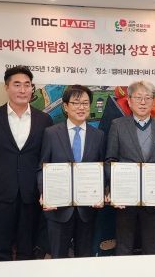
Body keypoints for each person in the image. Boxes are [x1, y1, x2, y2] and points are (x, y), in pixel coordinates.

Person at [0, 66, 53, 261]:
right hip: (1, 193)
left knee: (28, 249)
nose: (23, 90)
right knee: (1, 249)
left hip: (32, 194)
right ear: (6, 87)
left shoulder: (44, 119)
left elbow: (48, 158)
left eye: (27, 85)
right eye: (17, 85)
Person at [105, 80, 155, 256]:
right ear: (129, 101)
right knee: (124, 247)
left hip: (154, 200)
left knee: (152, 247)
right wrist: (114, 190)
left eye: (147, 98)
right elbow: (110, 160)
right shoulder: (117, 125)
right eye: (138, 98)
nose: (143, 102)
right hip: (125, 200)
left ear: (153, 102)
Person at [38, 85, 106, 258]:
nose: (81, 107)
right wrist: (44, 192)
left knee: (84, 258)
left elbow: (102, 169)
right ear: (66, 106)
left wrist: (102, 192)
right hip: (58, 209)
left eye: (85, 103)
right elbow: (42, 168)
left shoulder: (98, 135)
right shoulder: (51, 134)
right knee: (58, 257)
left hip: (87, 210)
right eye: (76, 103)